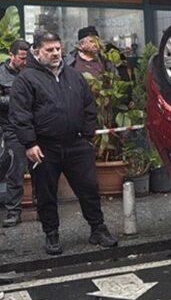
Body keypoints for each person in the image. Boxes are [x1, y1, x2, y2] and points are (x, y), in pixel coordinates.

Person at [10, 31, 118, 255]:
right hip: (44, 147)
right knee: (46, 193)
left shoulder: (73, 75)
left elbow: (89, 105)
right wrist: (30, 144)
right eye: (49, 50)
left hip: (76, 144)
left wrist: (87, 136)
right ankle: (52, 234)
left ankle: (98, 229)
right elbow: (20, 115)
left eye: (58, 48)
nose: (55, 53)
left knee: (88, 189)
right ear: (37, 51)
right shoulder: (26, 79)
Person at [0, 40, 29, 227]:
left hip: (35, 128)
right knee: (15, 171)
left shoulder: (32, 72)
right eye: (21, 58)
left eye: (27, 58)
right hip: (12, 129)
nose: (25, 62)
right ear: (11, 55)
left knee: (41, 170)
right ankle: (13, 211)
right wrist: (17, 99)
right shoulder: (1, 74)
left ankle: (42, 207)